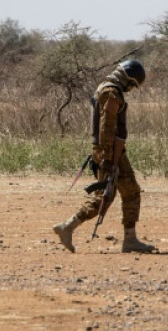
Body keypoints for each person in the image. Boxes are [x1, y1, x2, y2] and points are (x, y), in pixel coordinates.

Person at [53, 59, 158, 254]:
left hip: (104, 149)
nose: (130, 89)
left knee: (107, 195)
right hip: (109, 150)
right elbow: (107, 128)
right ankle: (129, 240)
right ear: (128, 79)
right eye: (132, 85)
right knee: (124, 192)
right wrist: (110, 158)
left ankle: (68, 226)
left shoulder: (104, 87)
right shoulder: (112, 92)